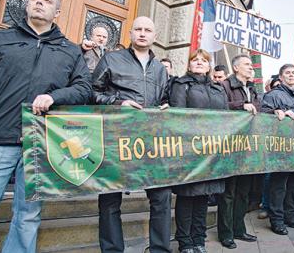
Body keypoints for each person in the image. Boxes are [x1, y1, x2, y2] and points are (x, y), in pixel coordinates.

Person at [0, 0, 92, 252]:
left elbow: (85, 88)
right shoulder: (0, 40)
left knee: (27, 214)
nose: (39, 2)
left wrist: (55, 97)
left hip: (39, 144)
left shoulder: (70, 50)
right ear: (26, 5)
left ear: (56, 11)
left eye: (46, 0)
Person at [92, 16, 171, 253]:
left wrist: (166, 106)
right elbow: (91, 93)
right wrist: (119, 102)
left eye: (148, 30)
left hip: (150, 141)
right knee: (109, 200)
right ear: (130, 33)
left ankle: (159, 249)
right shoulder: (111, 59)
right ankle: (112, 250)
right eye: (138, 29)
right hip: (115, 140)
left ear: (154, 36)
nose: (143, 33)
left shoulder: (159, 68)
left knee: (162, 197)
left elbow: (164, 98)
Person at [170, 49, 228, 253]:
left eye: (204, 60)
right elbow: (178, 116)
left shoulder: (218, 89)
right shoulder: (181, 84)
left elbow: (227, 118)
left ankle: (199, 240)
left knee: (204, 197)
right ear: (189, 64)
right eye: (195, 60)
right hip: (190, 150)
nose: (200, 63)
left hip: (212, 151)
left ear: (209, 65)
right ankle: (185, 242)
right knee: (187, 197)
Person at [261, 64, 294, 235]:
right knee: (279, 185)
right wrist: (279, 111)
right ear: (281, 78)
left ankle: (291, 216)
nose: (291, 75)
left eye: (293, 73)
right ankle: (276, 219)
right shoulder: (273, 95)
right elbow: (264, 114)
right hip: (282, 147)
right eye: (287, 73)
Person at [217, 54, 260, 249]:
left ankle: (239, 229)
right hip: (230, 145)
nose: (251, 68)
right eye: (247, 64)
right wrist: (241, 106)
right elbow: (218, 107)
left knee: (243, 191)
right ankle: (225, 233)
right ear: (235, 68)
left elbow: (260, 110)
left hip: (248, 146)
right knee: (229, 193)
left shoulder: (252, 88)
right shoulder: (225, 85)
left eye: (251, 65)